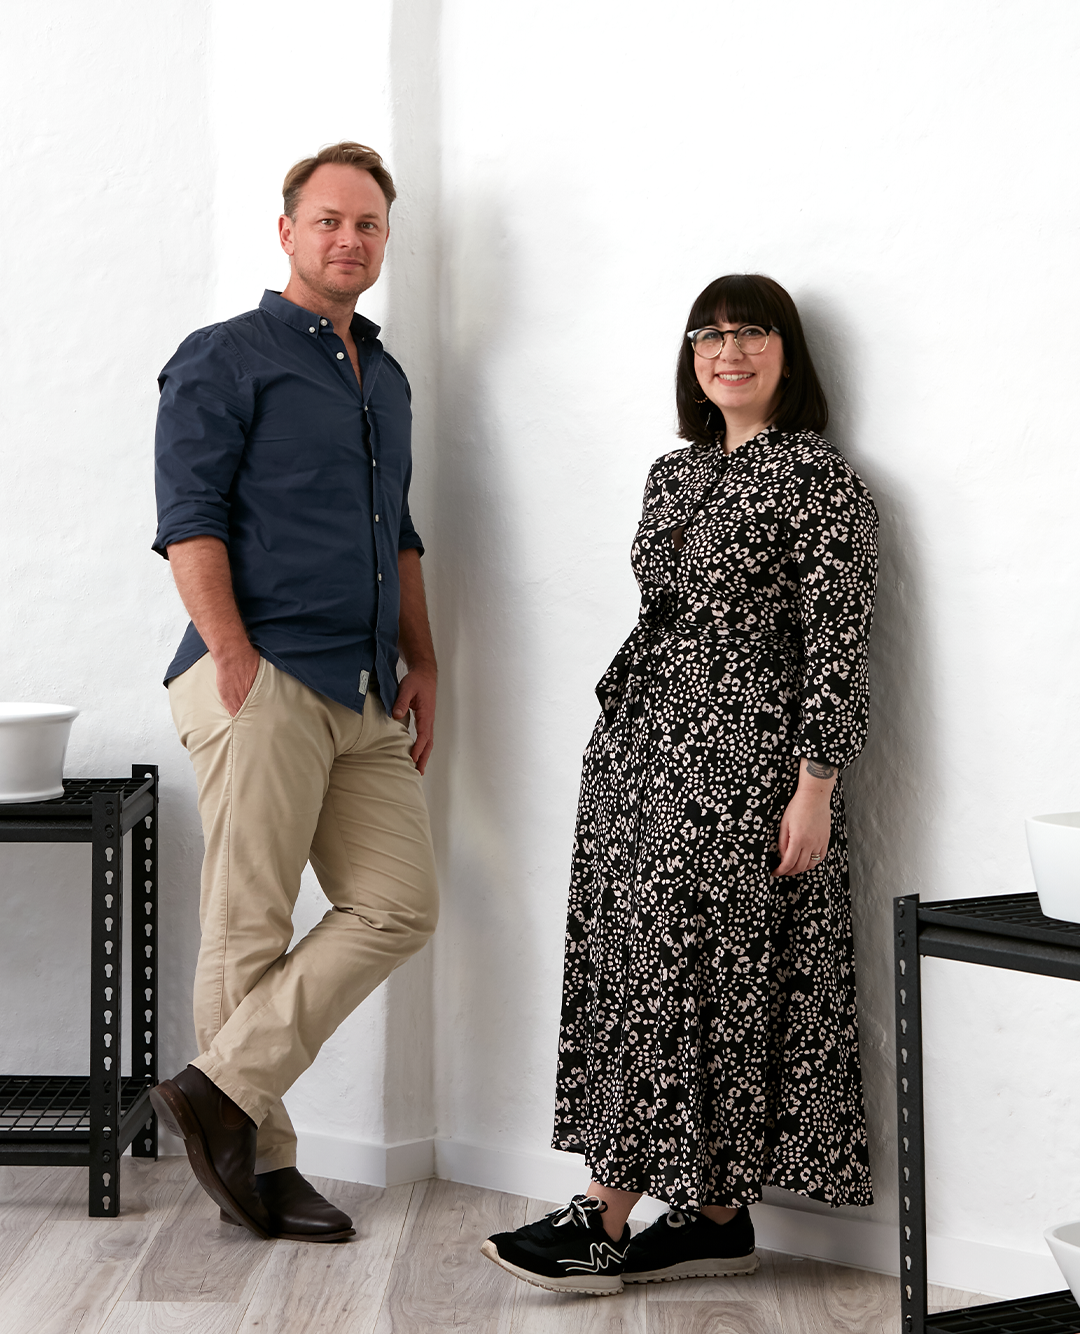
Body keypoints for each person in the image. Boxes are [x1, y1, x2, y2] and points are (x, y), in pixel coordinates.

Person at [483, 274, 878, 1295]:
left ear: (787, 353)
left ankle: (605, 1209)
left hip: (746, 763)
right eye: (708, 333)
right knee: (635, 968)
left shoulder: (817, 478)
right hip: (642, 755)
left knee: (691, 971)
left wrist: (817, 784)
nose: (727, 349)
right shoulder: (673, 474)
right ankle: (711, 1215)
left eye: (750, 332)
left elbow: (838, 643)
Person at [148, 142, 439, 1244]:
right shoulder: (224, 357)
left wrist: (429, 660)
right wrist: (232, 656)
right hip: (261, 671)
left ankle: (219, 1086)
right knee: (249, 924)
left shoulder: (389, 375)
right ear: (287, 231)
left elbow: (399, 533)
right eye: (328, 221)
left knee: (399, 902)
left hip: (365, 685)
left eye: (367, 225)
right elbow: (190, 515)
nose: (349, 240)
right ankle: (262, 1167)